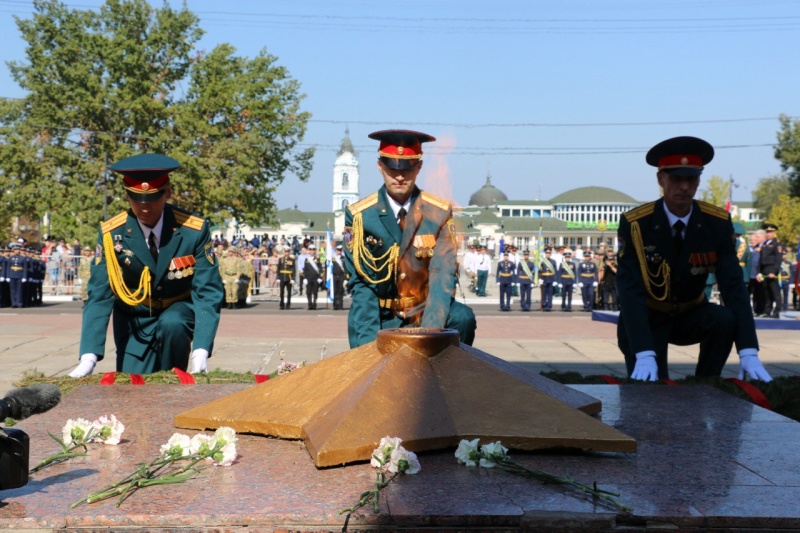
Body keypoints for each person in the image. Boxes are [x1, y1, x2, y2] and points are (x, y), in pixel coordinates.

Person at [616, 136, 771, 381]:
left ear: (699, 180)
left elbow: (733, 286)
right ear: (661, 179)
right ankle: (648, 364)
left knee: (722, 319)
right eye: (676, 178)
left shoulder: (715, 223)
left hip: (691, 313)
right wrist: (644, 352)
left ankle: (706, 385)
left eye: (691, 179)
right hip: (648, 317)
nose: (685, 187)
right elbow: (629, 290)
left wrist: (748, 349)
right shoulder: (637, 224)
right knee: (650, 400)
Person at [68, 153, 224, 377]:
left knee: (173, 324)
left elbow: (208, 291)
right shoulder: (113, 234)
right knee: (133, 390)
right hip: (135, 321)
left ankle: (176, 376)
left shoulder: (192, 230)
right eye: (136, 199)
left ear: (167, 193)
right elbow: (99, 295)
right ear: (127, 195)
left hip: (177, 314)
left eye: (152, 199)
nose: (144, 208)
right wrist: (88, 357)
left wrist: (200, 350)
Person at [343, 129, 476, 347]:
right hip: (383, 316)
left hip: (426, 312)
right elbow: (363, 285)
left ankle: (449, 378)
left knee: (462, 317)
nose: (399, 175)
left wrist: (430, 335)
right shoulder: (361, 217)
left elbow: (442, 274)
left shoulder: (438, 212)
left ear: (419, 167)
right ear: (380, 167)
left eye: (407, 167)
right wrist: (368, 351)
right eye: (391, 166)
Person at [758, 223, 782, 318]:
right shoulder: (764, 244)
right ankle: (767, 311)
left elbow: (778, 259)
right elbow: (761, 260)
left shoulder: (777, 244)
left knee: (775, 292)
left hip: (772, 270)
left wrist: (774, 271)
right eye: (767, 232)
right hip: (764, 271)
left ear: (774, 233)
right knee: (766, 293)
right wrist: (759, 272)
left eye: (770, 232)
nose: (768, 234)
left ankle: (776, 312)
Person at [303, 244, 323, 310]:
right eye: (310, 250)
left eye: (313, 250)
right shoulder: (306, 260)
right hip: (308, 278)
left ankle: (314, 304)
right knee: (308, 292)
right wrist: (304, 278)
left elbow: (320, 269)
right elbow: (305, 269)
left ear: (315, 251)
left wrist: (320, 277)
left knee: (315, 292)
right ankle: (309, 304)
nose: (312, 251)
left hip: (315, 278)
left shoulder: (317, 259)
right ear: (309, 251)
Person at [538, 247, 556, 311]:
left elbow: (555, 271)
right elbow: (539, 271)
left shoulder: (553, 261)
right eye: (547, 253)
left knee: (550, 294)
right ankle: (544, 305)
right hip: (544, 279)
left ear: (550, 254)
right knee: (544, 294)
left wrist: (555, 280)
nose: (548, 254)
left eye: (549, 253)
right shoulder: (542, 261)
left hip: (551, 279)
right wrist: (539, 279)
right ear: (545, 254)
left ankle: (549, 306)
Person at [332, 244, 347, 310]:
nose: (339, 251)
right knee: (335, 291)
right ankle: (335, 305)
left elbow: (346, 269)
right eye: (338, 250)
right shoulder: (333, 259)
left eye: (340, 250)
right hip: (334, 276)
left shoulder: (344, 259)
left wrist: (346, 278)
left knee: (341, 291)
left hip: (341, 276)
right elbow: (329, 268)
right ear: (336, 250)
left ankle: (340, 305)